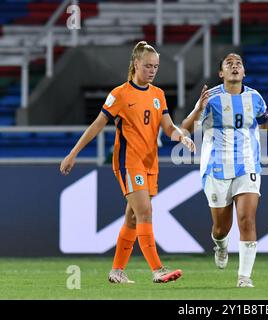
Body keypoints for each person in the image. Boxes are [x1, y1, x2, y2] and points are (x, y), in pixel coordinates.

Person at [60, 41, 196, 284]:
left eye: (156, 66)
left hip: (149, 162)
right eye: (147, 66)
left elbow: (167, 127)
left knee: (133, 218)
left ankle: (117, 272)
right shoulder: (120, 94)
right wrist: (73, 153)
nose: (152, 71)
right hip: (128, 161)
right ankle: (157, 269)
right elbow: (97, 125)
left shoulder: (158, 95)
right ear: (135, 64)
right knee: (145, 211)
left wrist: (180, 137)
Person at [181, 53, 268, 287]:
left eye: (239, 64)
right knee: (220, 228)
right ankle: (221, 245)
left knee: (247, 220)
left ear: (244, 72)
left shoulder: (255, 98)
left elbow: (267, 128)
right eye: (229, 64)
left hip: (247, 166)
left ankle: (244, 277)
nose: (235, 66)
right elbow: (185, 129)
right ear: (221, 73)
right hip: (216, 168)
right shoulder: (211, 97)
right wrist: (198, 108)